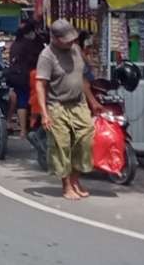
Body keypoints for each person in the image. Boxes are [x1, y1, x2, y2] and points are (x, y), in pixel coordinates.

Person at [35, 19, 103, 201]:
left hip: (79, 103)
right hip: (57, 105)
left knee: (85, 141)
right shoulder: (47, 56)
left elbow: (81, 79)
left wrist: (93, 101)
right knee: (61, 145)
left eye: (72, 39)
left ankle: (75, 180)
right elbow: (40, 84)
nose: (71, 42)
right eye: (67, 40)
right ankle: (66, 185)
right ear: (55, 38)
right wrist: (44, 113)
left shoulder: (76, 50)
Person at [6, 19, 43, 136]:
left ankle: (15, 125)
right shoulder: (29, 44)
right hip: (25, 76)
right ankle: (24, 129)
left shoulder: (16, 43)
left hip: (15, 76)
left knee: (19, 99)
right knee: (24, 101)